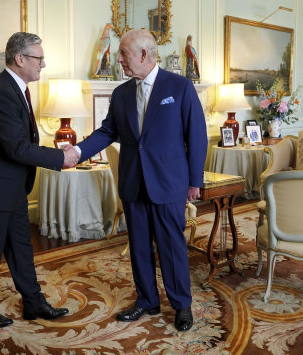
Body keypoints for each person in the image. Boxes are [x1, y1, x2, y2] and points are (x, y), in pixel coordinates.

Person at [71, 29, 208, 332]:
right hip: (134, 182)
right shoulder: (121, 93)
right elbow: (107, 132)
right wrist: (78, 151)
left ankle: (181, 305)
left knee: (172, 246)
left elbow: (196, 137)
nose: (118, 59)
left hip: (169, 182)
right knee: (139, 246)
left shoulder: (181, 87)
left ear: (144, 54)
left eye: (123, 54)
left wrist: (194, 180)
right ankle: (147, 299)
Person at [0, 32, 78, 329]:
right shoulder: (2, 91)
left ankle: (33, 301)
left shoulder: (16, 88)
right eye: (39, 58)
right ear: (20, 59)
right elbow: (15, 147)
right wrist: (58, 158)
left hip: (10, 186)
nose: (43, 64)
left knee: (20, 246)